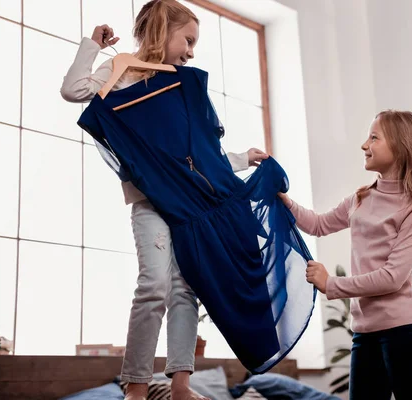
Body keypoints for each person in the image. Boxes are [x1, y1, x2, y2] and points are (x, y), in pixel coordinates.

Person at [61, 1, 268, 399]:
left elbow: (201, 157)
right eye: (187, 40)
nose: (191, 51)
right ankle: (136, 388)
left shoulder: (182, 85)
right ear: (161, 29)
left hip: (189, 205)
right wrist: (92, 45)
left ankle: (181, 387)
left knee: (185, 288)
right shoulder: (119, 70)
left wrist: (242, 159)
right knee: (154, 285)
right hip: (151, 204)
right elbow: (73, 91)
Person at [279, 110, 412, 400]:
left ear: (401, 145)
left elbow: (392, 278)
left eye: (374, 137)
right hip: (364, 332)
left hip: (406, 330)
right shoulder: (361, 198)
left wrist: (331, 284)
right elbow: (318, 224)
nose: (364, 145)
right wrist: (286, 203)